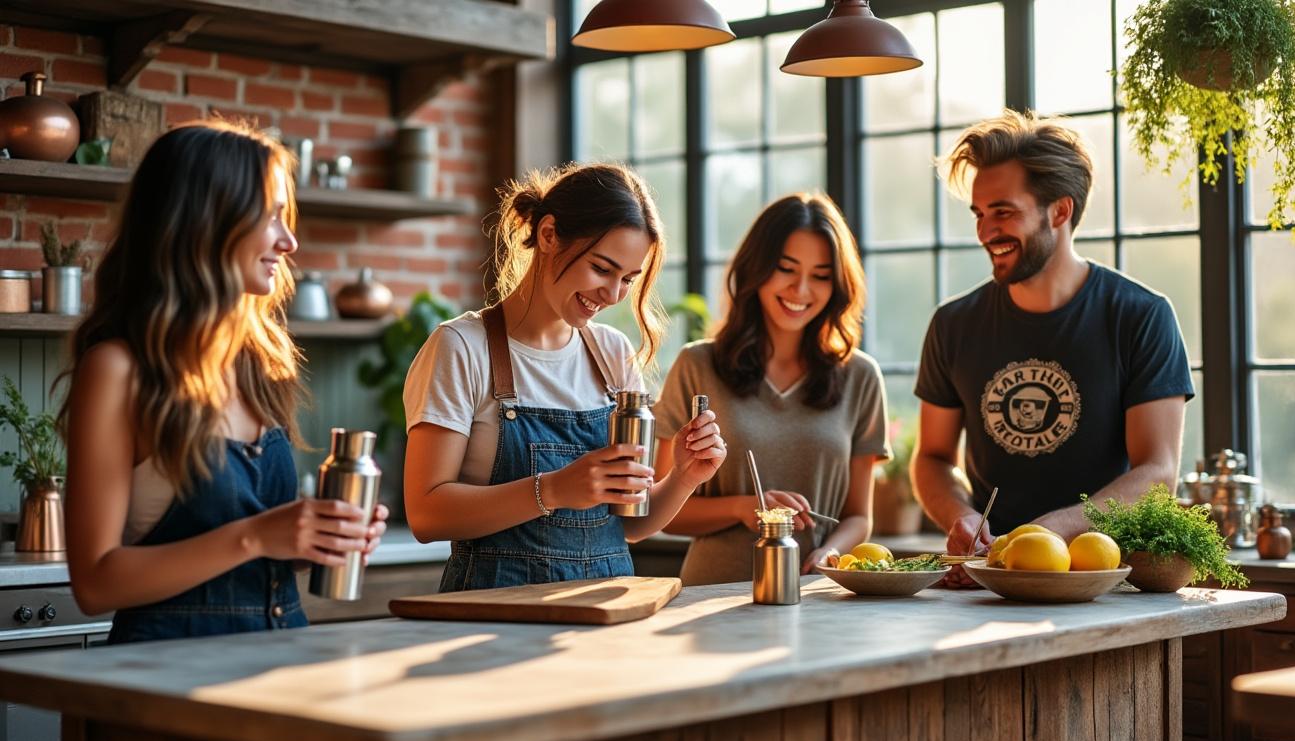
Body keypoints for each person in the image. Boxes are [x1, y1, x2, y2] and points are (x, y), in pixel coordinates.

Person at [60, 120, 389, 642]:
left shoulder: (257, 365)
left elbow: (251, 557)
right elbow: (95, 583)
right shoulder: (118, 370)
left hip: (274, 658)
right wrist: (257, 535)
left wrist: (314, 539)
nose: (289, 241)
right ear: (206, 221)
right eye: (270, 216)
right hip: (163, 671)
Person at [402, 162, 726, 591]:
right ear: (549, 234)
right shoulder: (461, 347)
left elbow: (630, 526)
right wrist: (552, 490)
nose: (612, 294)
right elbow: (426, 515)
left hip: (602, 607)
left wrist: (685, 476)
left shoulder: (612, 353)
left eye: (628, 279)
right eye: (602, 269)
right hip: (492, 610)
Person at [910, 110, 1195, 586]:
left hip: (1103, 583)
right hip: (989, 580)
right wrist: (961, 516)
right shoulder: (952, 324)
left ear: (1059, 212)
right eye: (979, 214)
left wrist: (1050, 532)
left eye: (1003, 212)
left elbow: (1158, 473)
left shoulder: (1141, 316)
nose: (985, 231)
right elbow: (932, 458)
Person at [653, 193, 890, 585]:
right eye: (786, 269)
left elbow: (858, 517)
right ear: (756, 268)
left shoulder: (861, 376)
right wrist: (742, 508)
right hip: (709, 600)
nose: (801, 289)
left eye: (821, 275)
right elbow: (662, 512)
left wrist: (831, 553)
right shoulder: (697, 366)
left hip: (816, 595)